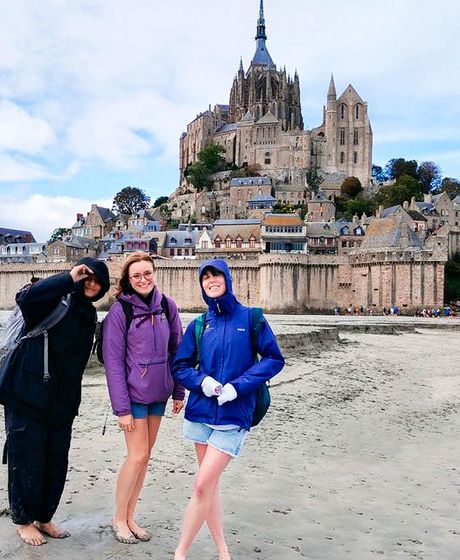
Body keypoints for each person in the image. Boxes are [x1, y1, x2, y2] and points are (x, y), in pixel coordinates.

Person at [172, 259, 284, 560]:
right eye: (205, 277)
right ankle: (223, 551)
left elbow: (274, 359)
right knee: (209, 487)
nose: (211, 280)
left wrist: (239, 386)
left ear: (228, 279)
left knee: (200, 485)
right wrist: (203, 382)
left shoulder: (252, 318)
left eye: (216, 275)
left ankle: (179, 553)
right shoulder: (198, 325)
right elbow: (180, 366)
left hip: (234, 415)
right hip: (200, 413)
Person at [3, 257, 110, 546]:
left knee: (55, 462)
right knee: (26, 460)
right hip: (26, 394)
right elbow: (25, 298)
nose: (90, 283)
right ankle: (24, 520)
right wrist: (67, 276)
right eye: (86, 277)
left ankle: (44, 516)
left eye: (97, 280)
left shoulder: (88, 315)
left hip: (62, 403)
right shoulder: (52, 299)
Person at [102, 251, 184, 544]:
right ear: (127, 279)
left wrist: (178, 391)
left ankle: (131, 516)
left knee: (145, 457)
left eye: (147, 273)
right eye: (136, 275)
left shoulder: (167, 305)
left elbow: (178, 350)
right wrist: (121, 409)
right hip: (133, 396)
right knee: (136, 456)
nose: (143, 279)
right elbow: (113, 364)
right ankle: (118, 518)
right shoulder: (119, 312)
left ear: (154, 273)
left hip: (159, 394)